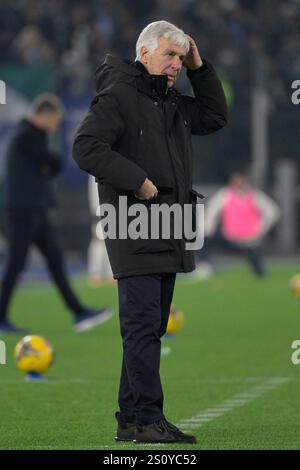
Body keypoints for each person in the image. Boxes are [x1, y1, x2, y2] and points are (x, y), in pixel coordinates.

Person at [73, 21, 227, 444]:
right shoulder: (119, 95)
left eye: (181, 57)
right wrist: (137, 180)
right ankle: (147, 419)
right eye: (169, 56)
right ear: (144, 54)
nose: (176, 64)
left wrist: (200, 67)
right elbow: (85, 147)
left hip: (168, 228)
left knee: (150, 327)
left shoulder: (171, 101)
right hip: (134, 226)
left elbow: (215, 116)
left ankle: (132, 419)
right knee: (142, 328)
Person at [0, 93, 113, 334]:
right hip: (23, 211)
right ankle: (1, 318)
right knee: (15, 265)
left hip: (34, 210)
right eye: (55, 121)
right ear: (45, 115)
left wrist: (46, 167)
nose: (55, 127)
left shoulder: (25, 136)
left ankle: (79, 312)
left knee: (54, 261)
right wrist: (47, 166)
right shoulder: (27, 136)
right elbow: (54, 163)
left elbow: (47, 167)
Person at [197, 171, 281, 277]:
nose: (239, 184)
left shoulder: (255, 196)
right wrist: (206, 229)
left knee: (259, 272)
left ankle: (260, 273)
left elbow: (273, 212)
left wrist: (259, 230)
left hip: (250, 241)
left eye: (241, 181)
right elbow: (212, 212)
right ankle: (204, 266)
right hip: (229, 239)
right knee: (203, 239)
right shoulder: (225, 195)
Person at [87, 175, 114, 286]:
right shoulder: (94, 170)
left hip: (109, 208)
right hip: (101, 210)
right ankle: (95, 273)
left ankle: (109, 273)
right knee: (99, 241)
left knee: (111, 240)